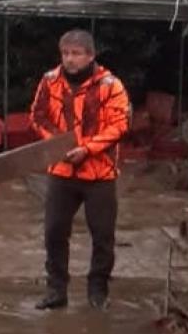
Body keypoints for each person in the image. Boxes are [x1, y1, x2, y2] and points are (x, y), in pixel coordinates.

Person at [29, 29, 130, 311]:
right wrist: (57, 146)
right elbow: (37, 117)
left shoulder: (111, 85)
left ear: (90, 55)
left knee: (102, 235)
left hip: (99, 173)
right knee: (54, 231)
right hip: (61, 171)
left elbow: (119, 125)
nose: (70, 60)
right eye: (65, 53)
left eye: (76, 54)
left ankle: (98, 290)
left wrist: (87, 149)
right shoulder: (50, 81)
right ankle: (56, 290)